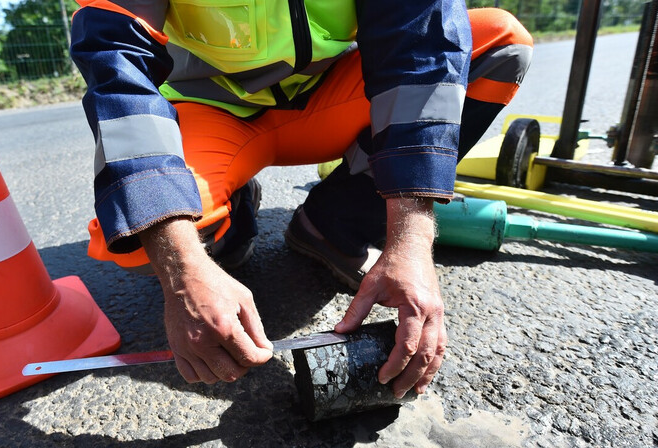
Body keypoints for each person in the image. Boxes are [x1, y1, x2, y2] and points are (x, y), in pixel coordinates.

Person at [70, 0, 533, 398]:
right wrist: (182, 269)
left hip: (330, 96)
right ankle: (232, 214)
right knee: (140, 236)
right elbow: (118, 69)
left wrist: (410, 238)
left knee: (497, 41)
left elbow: (422, 45)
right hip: (207, 107)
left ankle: (337, 222)